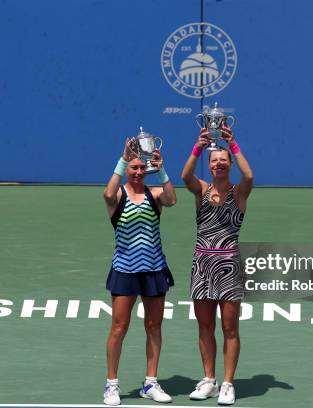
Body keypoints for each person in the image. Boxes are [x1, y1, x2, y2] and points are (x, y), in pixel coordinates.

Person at [181, 125, 253, 405]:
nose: (219, 164)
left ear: (229, 164)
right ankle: (209, 379)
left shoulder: (240, 194)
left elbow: (250, 175)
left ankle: (227, 384)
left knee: (230, 327)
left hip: (229, 267)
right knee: (204, 326)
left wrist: (233, 144)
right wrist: (197, 147)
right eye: (214, 161)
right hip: (202, 266)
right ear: (209, 166)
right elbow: (185, 175)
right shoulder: (201, 189)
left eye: (223, 160)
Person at [102, 139, 177, 406]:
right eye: (133, 167)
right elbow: (107, 195)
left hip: (154, 269)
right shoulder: (119, 195)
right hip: (125, 270)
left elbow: (172, 199)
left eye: (141, 168)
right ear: (127, 168)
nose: (137, 172)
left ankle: (151, 383)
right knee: (119, 327)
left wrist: (162, 169)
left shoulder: (154, 194)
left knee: (154, 326)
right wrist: (123, 159)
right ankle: (112, 385)